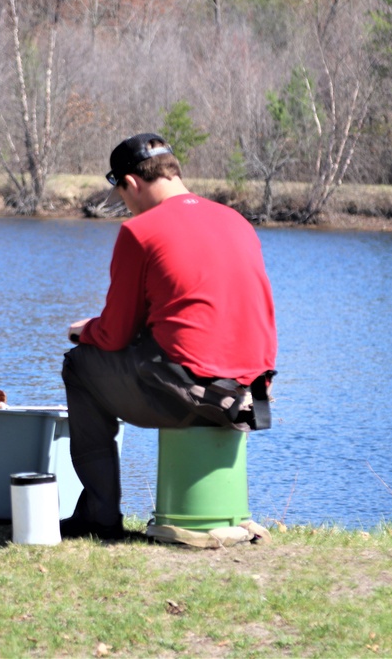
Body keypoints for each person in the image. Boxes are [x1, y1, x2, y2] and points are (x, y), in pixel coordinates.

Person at [61, 133, 278, 539]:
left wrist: (83, 330)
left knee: (80, 364)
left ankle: (99, 516)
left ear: (130, 182)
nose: (125, 205)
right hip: (253, 400)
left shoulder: (140, 231)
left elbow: (114, 333)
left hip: (195, 397)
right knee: (154, 352)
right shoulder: (237, 222)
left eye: (122, 195)